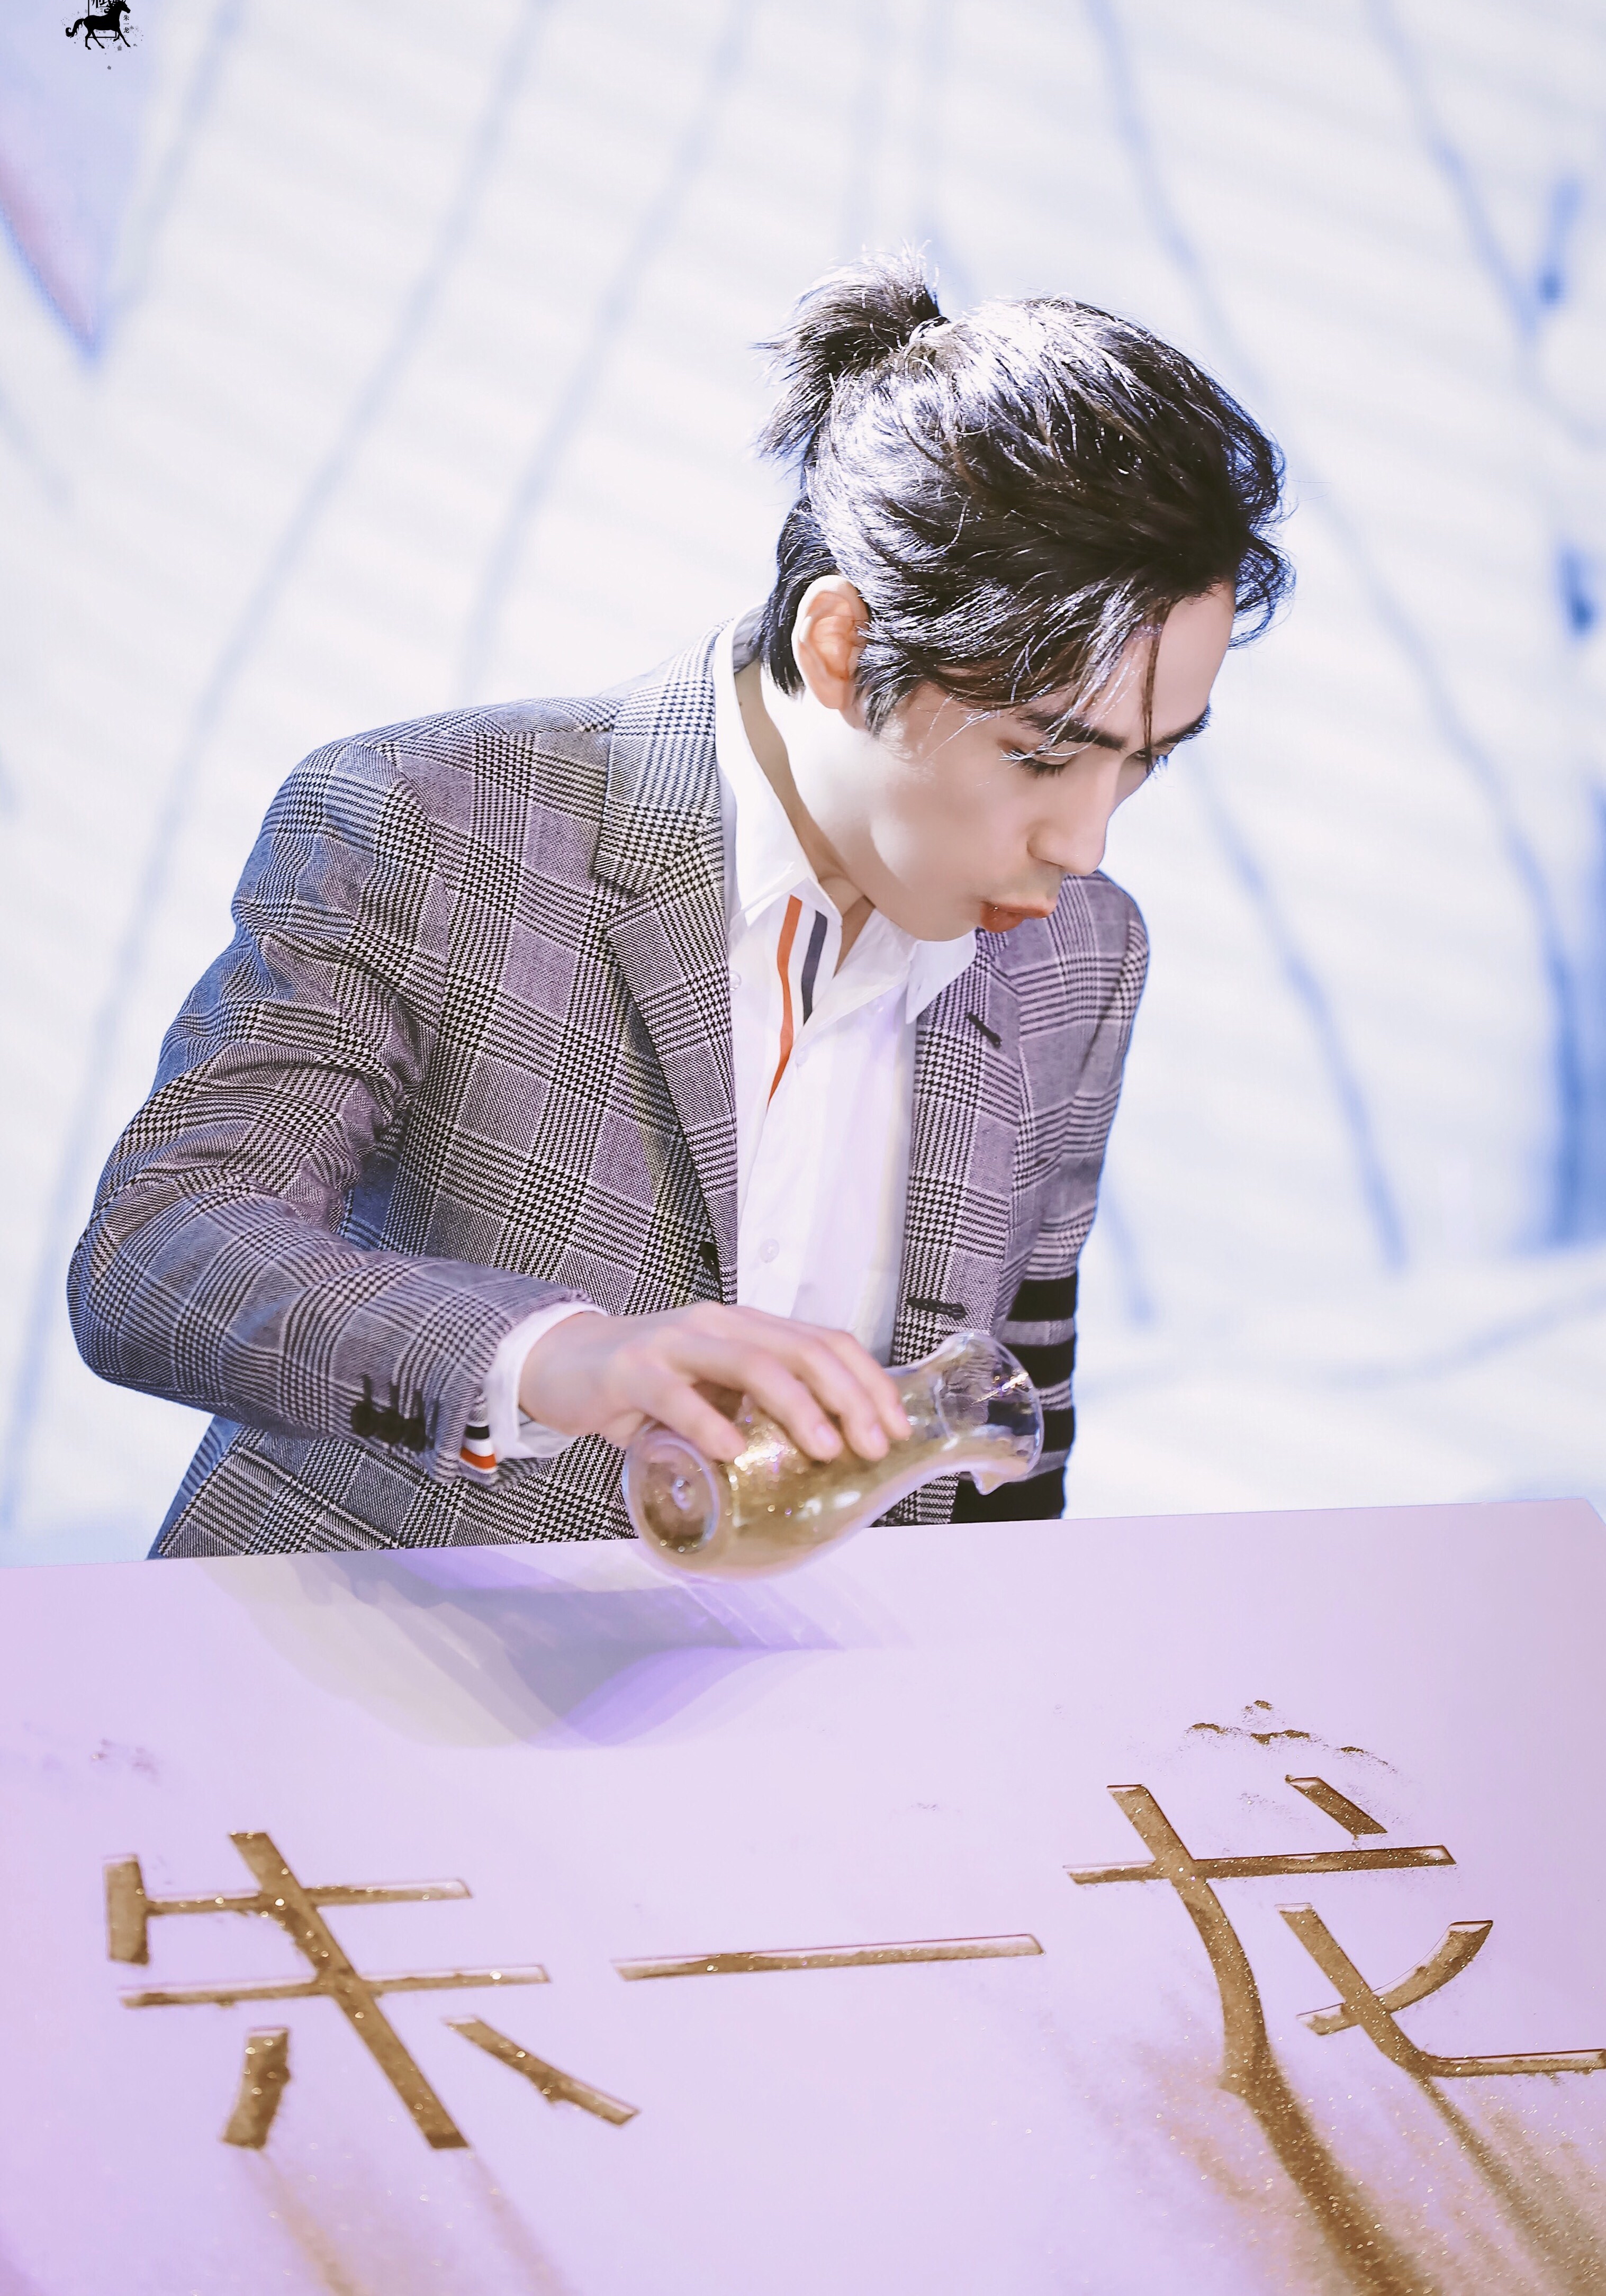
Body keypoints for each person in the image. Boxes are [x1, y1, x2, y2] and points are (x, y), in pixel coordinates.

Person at [68, 255, 1288, 1560]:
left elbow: (1014, 1407)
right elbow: (156, 1248)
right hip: (371, 1649)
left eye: (1145, 761)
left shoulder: (1084, 953)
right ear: (840, 645)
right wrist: (552, 1357)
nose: (1084, 844)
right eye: (1041, 755)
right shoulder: (435, 819)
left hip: (817, 1676)